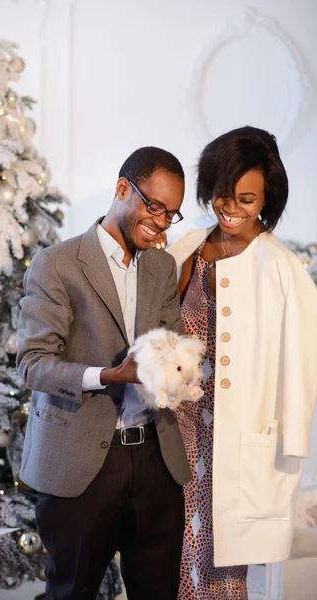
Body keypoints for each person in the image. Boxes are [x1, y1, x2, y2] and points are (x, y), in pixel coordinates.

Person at [16, 147, 191, 600]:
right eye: (154, 206)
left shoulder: (162, 266)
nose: (161, 222)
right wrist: (110, 376)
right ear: (121, 189)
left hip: (156, 460)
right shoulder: (57, 264)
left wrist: (184, 372)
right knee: (71, 591)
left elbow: (172, 344)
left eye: (171, 214)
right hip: (81, 463)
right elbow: (33, 363)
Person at [166, 126, 317, 600]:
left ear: (267, 199)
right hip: (175, 430)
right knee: (166, 553)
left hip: (236, 440)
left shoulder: (282, 268)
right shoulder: (186, 247)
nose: (231, 209)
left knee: (220, 563)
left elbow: (301, 365)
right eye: (221, 195)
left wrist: (291, 446)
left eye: (247, 199)